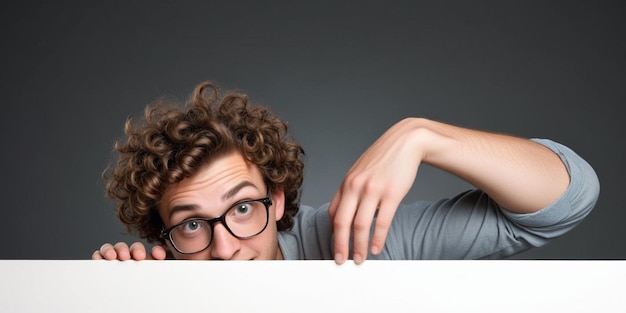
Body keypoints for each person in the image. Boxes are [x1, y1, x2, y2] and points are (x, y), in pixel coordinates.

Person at [92, 81, 600, 264]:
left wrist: (421, 135)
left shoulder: (359, 242)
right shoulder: (159, 282)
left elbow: (565, 200)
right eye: (192, 224)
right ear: (164, 235)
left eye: (243, 207)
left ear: (281, 199)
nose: (225, 250)